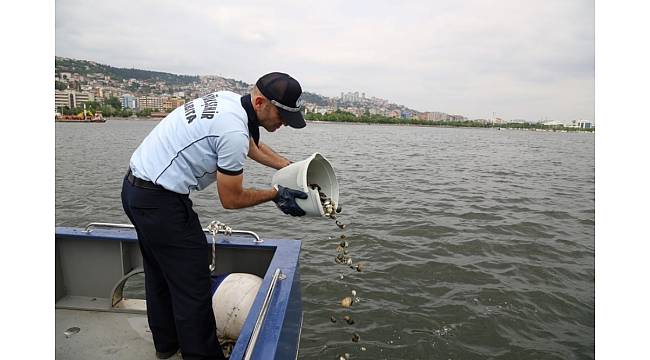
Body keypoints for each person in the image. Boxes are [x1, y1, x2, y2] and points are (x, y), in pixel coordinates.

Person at [121, 72, 308, 359]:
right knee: (193, 286)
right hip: (160, 202)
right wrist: (275, 194)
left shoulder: (230, 102)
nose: (282, 124)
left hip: (136, 190)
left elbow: (250, 145)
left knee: (159, 273)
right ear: (260, 102)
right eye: (281, 116)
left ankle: (167, 345)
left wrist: (290, 167)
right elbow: (231, 199)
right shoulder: (232, 130)